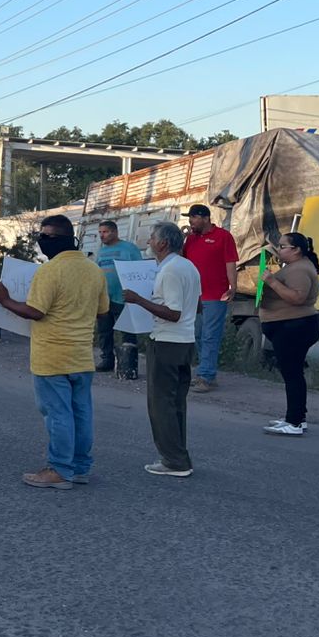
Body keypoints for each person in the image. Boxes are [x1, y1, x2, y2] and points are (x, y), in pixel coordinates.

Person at [0, 214, 109, 490]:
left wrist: (4, 299)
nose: (42, 242)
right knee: (81, 413)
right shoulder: (94, 271)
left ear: (57, 240)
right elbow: (103, 312)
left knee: (58, 415)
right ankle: (80, 468)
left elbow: (35, 311)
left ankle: (59, 470)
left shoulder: (49, 271)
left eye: (45, 237)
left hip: (52, 356)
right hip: (81, 356)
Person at [123, 222, 201, 476]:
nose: (148, 243)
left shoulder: (169, 271)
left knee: (161, 404)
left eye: (152, 238)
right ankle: (179, 456)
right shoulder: (188, 266)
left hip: (167, 341)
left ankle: (173, 461)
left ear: (163, 243)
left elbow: (174, 313)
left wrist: (139, 300)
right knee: (176, 403)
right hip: (185, 341)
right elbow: (196, 306)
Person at [259, 232, 319, 437]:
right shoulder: (296, 267)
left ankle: (294, 422)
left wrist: (271, 281)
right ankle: (296, 417)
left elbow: (297, 297)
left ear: (296, 250)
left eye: (282, 246)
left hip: (294, 327)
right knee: (293, 373)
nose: (279, 250)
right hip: (289, 326)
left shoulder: (299, 270)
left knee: (293, 374)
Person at [184, 203, 238, 392]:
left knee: (209, 336)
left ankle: (205, 376)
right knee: (197, 334)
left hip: (216, 295)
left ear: (206, 218)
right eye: (189, 218)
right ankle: (206, 371)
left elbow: (230, 262)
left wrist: (233, 287)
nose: (191, 221)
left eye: (194, 217)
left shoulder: (223, 237)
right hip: (194, 297)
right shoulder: (190, 240)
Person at [94, 220, 143, 377]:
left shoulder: (129, 249)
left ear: (115, 232)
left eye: (106, 232)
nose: (102, 235)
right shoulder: (101, 251)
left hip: (123, 297)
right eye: (100, 232)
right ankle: (107, 360)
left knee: (127, 330)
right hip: (105, 297)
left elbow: (139, 271)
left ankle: (128, 362)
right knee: (104, 330)